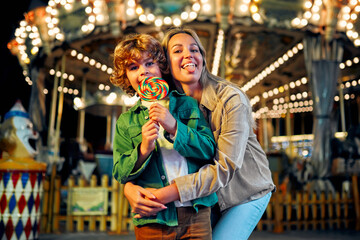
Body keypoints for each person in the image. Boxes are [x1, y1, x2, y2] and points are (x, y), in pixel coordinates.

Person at [123, 28, 276, 240]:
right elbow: (147, 157)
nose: (188, 54)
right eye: (177, 50)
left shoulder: (231, 98)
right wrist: (128, 187)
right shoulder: (167, 105)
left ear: (202, 58)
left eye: (194, 49)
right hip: (205, 197)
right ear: (166, 63)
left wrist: (159, 196)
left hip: (244, 192)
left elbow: (224, 168)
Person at [110, 33, 218, 239]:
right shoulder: (126, 121)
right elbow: (121, 173)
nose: (143, 71)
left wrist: (175, 127)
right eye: (134, 67)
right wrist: (143, 149)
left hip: (196, 210)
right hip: (153, 217)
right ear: (126, 78)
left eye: (149, 63)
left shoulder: (188, 105)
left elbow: (208, 150)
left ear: (161, 67)